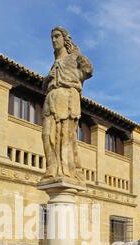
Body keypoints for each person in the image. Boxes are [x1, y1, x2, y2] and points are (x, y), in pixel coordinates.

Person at [42, 27, 93, 181]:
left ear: (65, 39)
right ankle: (52, 167)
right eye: (52, 37)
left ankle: (65, 169)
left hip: (67, 98)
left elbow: (89, 71)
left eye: (57, 36)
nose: (53, 40)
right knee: (47, 135)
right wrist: (47, 78)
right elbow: (44, 87)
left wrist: (79, 56)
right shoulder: (54, 63)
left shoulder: (73, 58)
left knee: (65, 136)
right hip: (50, 99)